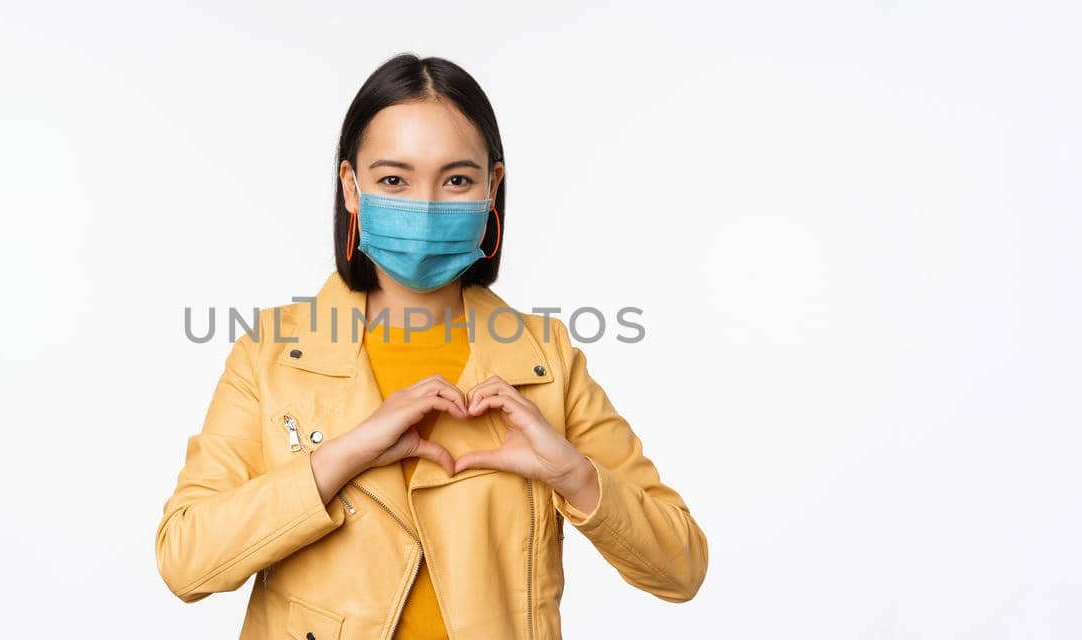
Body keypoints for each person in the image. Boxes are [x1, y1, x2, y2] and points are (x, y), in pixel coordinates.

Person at [156, 53, 708, 640]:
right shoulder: (271, 354)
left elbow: (682, 569)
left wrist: (575, 476)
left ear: (492, 187)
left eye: (457, 179)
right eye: (394, 179)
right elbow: (185, 562)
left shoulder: (548, 360)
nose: (425, 205)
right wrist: (342, 457)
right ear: (351, 187)